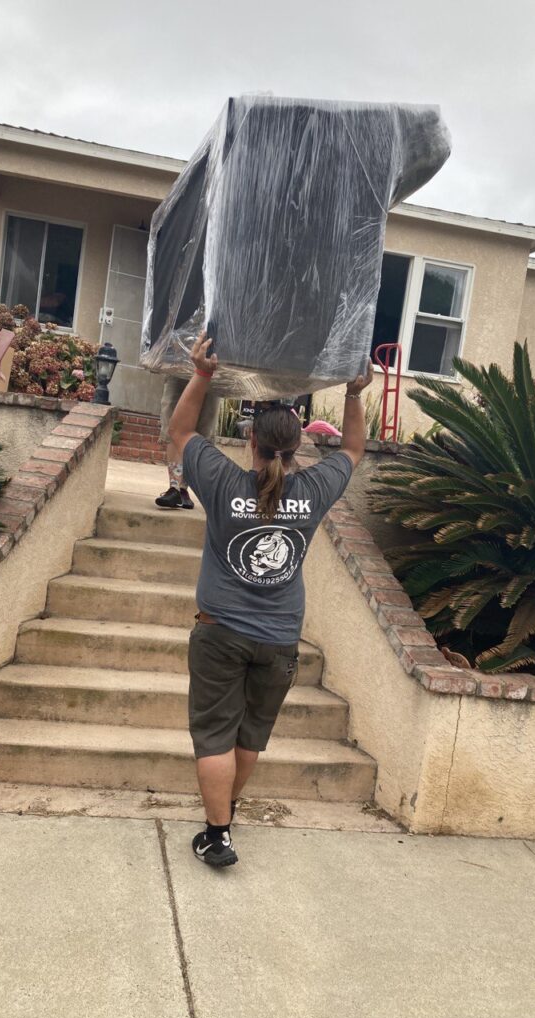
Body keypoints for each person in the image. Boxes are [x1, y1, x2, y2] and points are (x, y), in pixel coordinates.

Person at [168, 332, 373, 867]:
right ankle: (226, 817)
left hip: (219, 633)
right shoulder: (314, 490)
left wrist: (203, 374)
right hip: (280, 639)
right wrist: (353, 394)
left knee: (214, 732)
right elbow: (353, 450)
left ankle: (217, 834)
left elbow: (181, 430)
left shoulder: (219, 480)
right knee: (250, 733)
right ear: (297, 446)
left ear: (250, 443)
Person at [155, 376, 221, 509]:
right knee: (172, 422)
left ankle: (182, 489)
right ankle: (175, 488)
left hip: (213, 371)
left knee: (203, 427)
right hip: (178, 367)